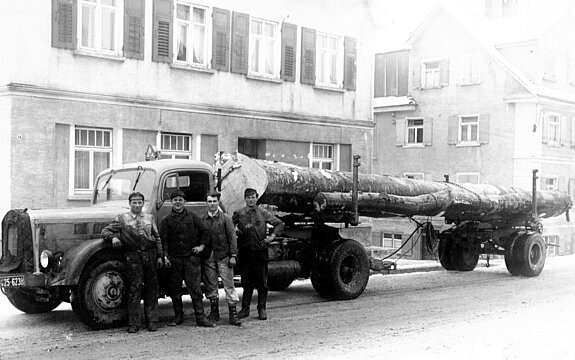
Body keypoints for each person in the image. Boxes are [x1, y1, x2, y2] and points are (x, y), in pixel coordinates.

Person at [101, 191, 165, 333]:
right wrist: (113, 238)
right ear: (129, 204)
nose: (137, 205)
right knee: (134, 289)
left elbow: (157, 237)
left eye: (139, 202)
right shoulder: (122, 219)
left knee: (152, 289)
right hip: (133, 256)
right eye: (134, 202)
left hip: (150, 254)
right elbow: (105, 231)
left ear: (143, 203)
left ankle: (152, 321)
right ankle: (134, 323)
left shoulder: (149, 217)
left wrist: (160, 255)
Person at [160, 189, 215, 328]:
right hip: (175, 260)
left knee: (195, 289)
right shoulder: (166, 220)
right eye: (175, 200)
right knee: (175, 290)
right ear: (171, 202)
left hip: (191, 259)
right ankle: (178, 317)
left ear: (184, 202)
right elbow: (163, 240)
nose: (178, 202)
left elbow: (205, 230)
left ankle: (200, 318)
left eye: (180, 200)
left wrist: (201, 246)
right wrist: (165, 256)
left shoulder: (192, 216)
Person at [232, 188, 284, 320]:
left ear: (257, 198)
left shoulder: (263, 213)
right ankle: (245, 310)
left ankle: (262, 309)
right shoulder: (239, 213)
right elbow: (230, 227)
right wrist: (235, 231)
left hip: (260, 252)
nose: (251, 200)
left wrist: (271, 237)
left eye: (253, 197)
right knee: (246, 282)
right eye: (248, 197)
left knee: (262, 282)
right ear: (245, 199)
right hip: (245, 253)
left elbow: (279, 224)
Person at [202, 191, 241, 326]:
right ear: (206, 203)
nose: (212, 204)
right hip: (209, 258)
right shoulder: (203, 219)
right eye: (209, 201)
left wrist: (233, 256)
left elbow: (232, 238)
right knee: (211, 285)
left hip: (224, 256)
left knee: (229, 285)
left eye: (214, 201)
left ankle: (233, 315)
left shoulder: (225, 218)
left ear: (218, 203)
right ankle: (214, 313)